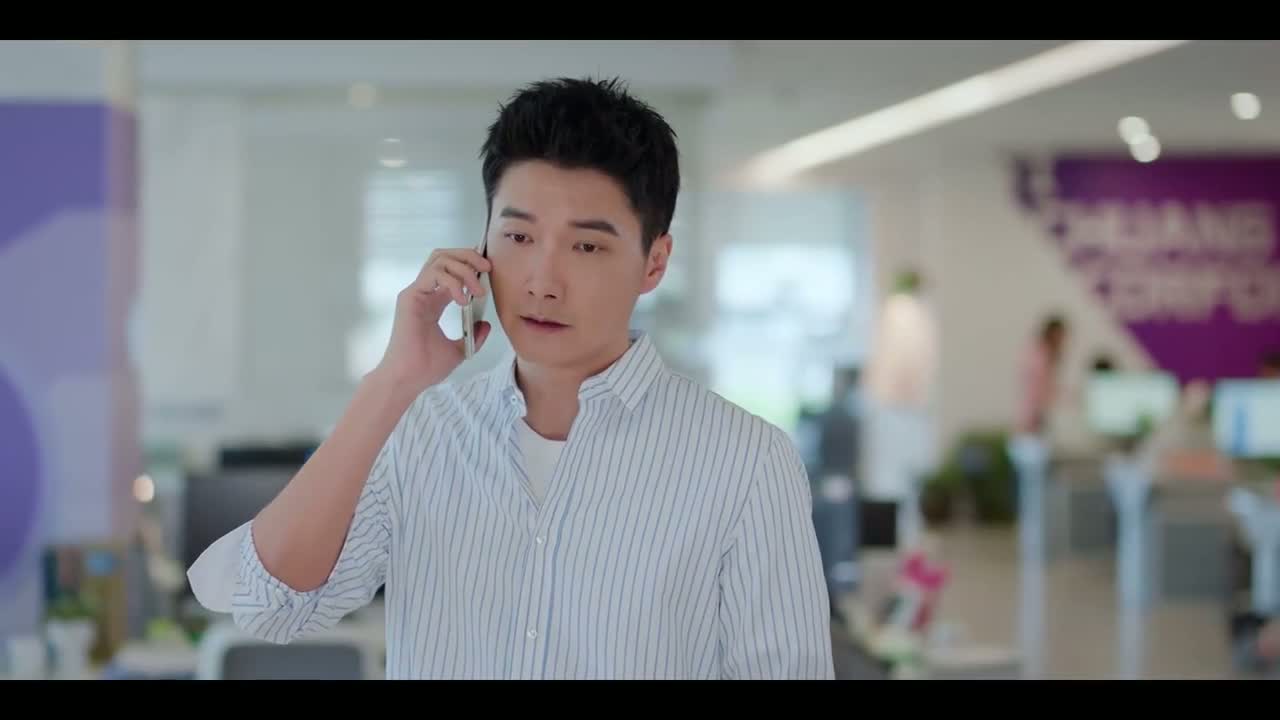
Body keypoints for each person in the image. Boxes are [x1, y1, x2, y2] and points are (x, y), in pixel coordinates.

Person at [186, 77, 834, 680]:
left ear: (654, 262)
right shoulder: (421, 431)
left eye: (587, 246)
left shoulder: (746, 462)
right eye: (519, 237)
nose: (542, 283)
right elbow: (269, 606)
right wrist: (393, 382)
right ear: (482, 243)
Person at [1016, 314, 1069, 436]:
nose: (1062, 340)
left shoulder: (1047, 356)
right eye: (1060, 335)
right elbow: (1037, 388)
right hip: (1033, 415)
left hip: (1038, 414)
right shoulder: (1039, 356)